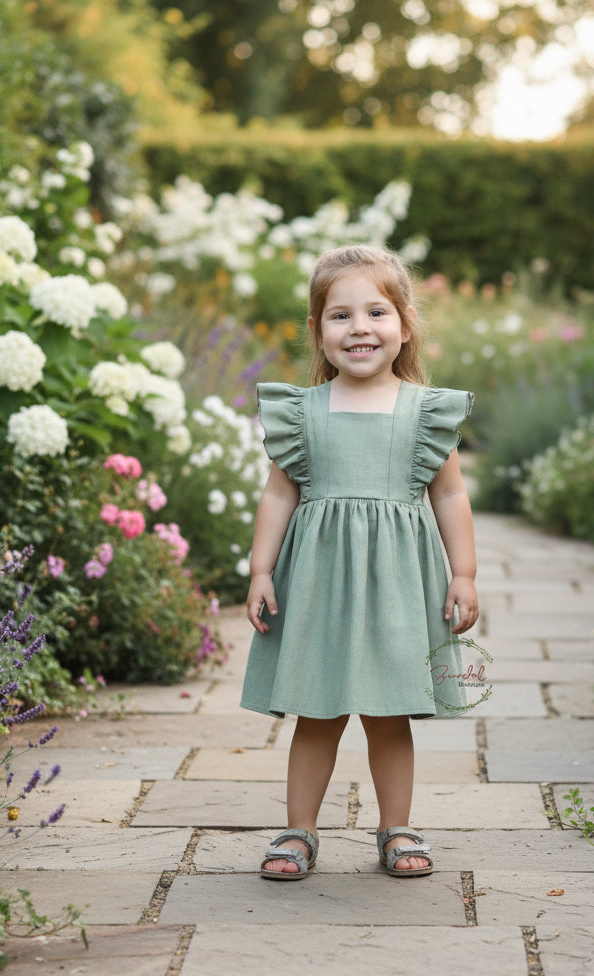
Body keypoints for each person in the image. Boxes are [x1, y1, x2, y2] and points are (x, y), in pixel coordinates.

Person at [241, 244, 478, 881]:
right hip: (318, 584)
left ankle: (396, 827)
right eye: (340, 316)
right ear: (317, 331)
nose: (359, 328)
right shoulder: (304, 412)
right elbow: (279, 492)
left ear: (404, 325)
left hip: (398, 586)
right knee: (317, 711)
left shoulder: (425, 412)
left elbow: (450, 494)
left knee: (388, 712)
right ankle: (298, 831)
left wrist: (464, 574)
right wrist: (261, 569)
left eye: (376, 311)